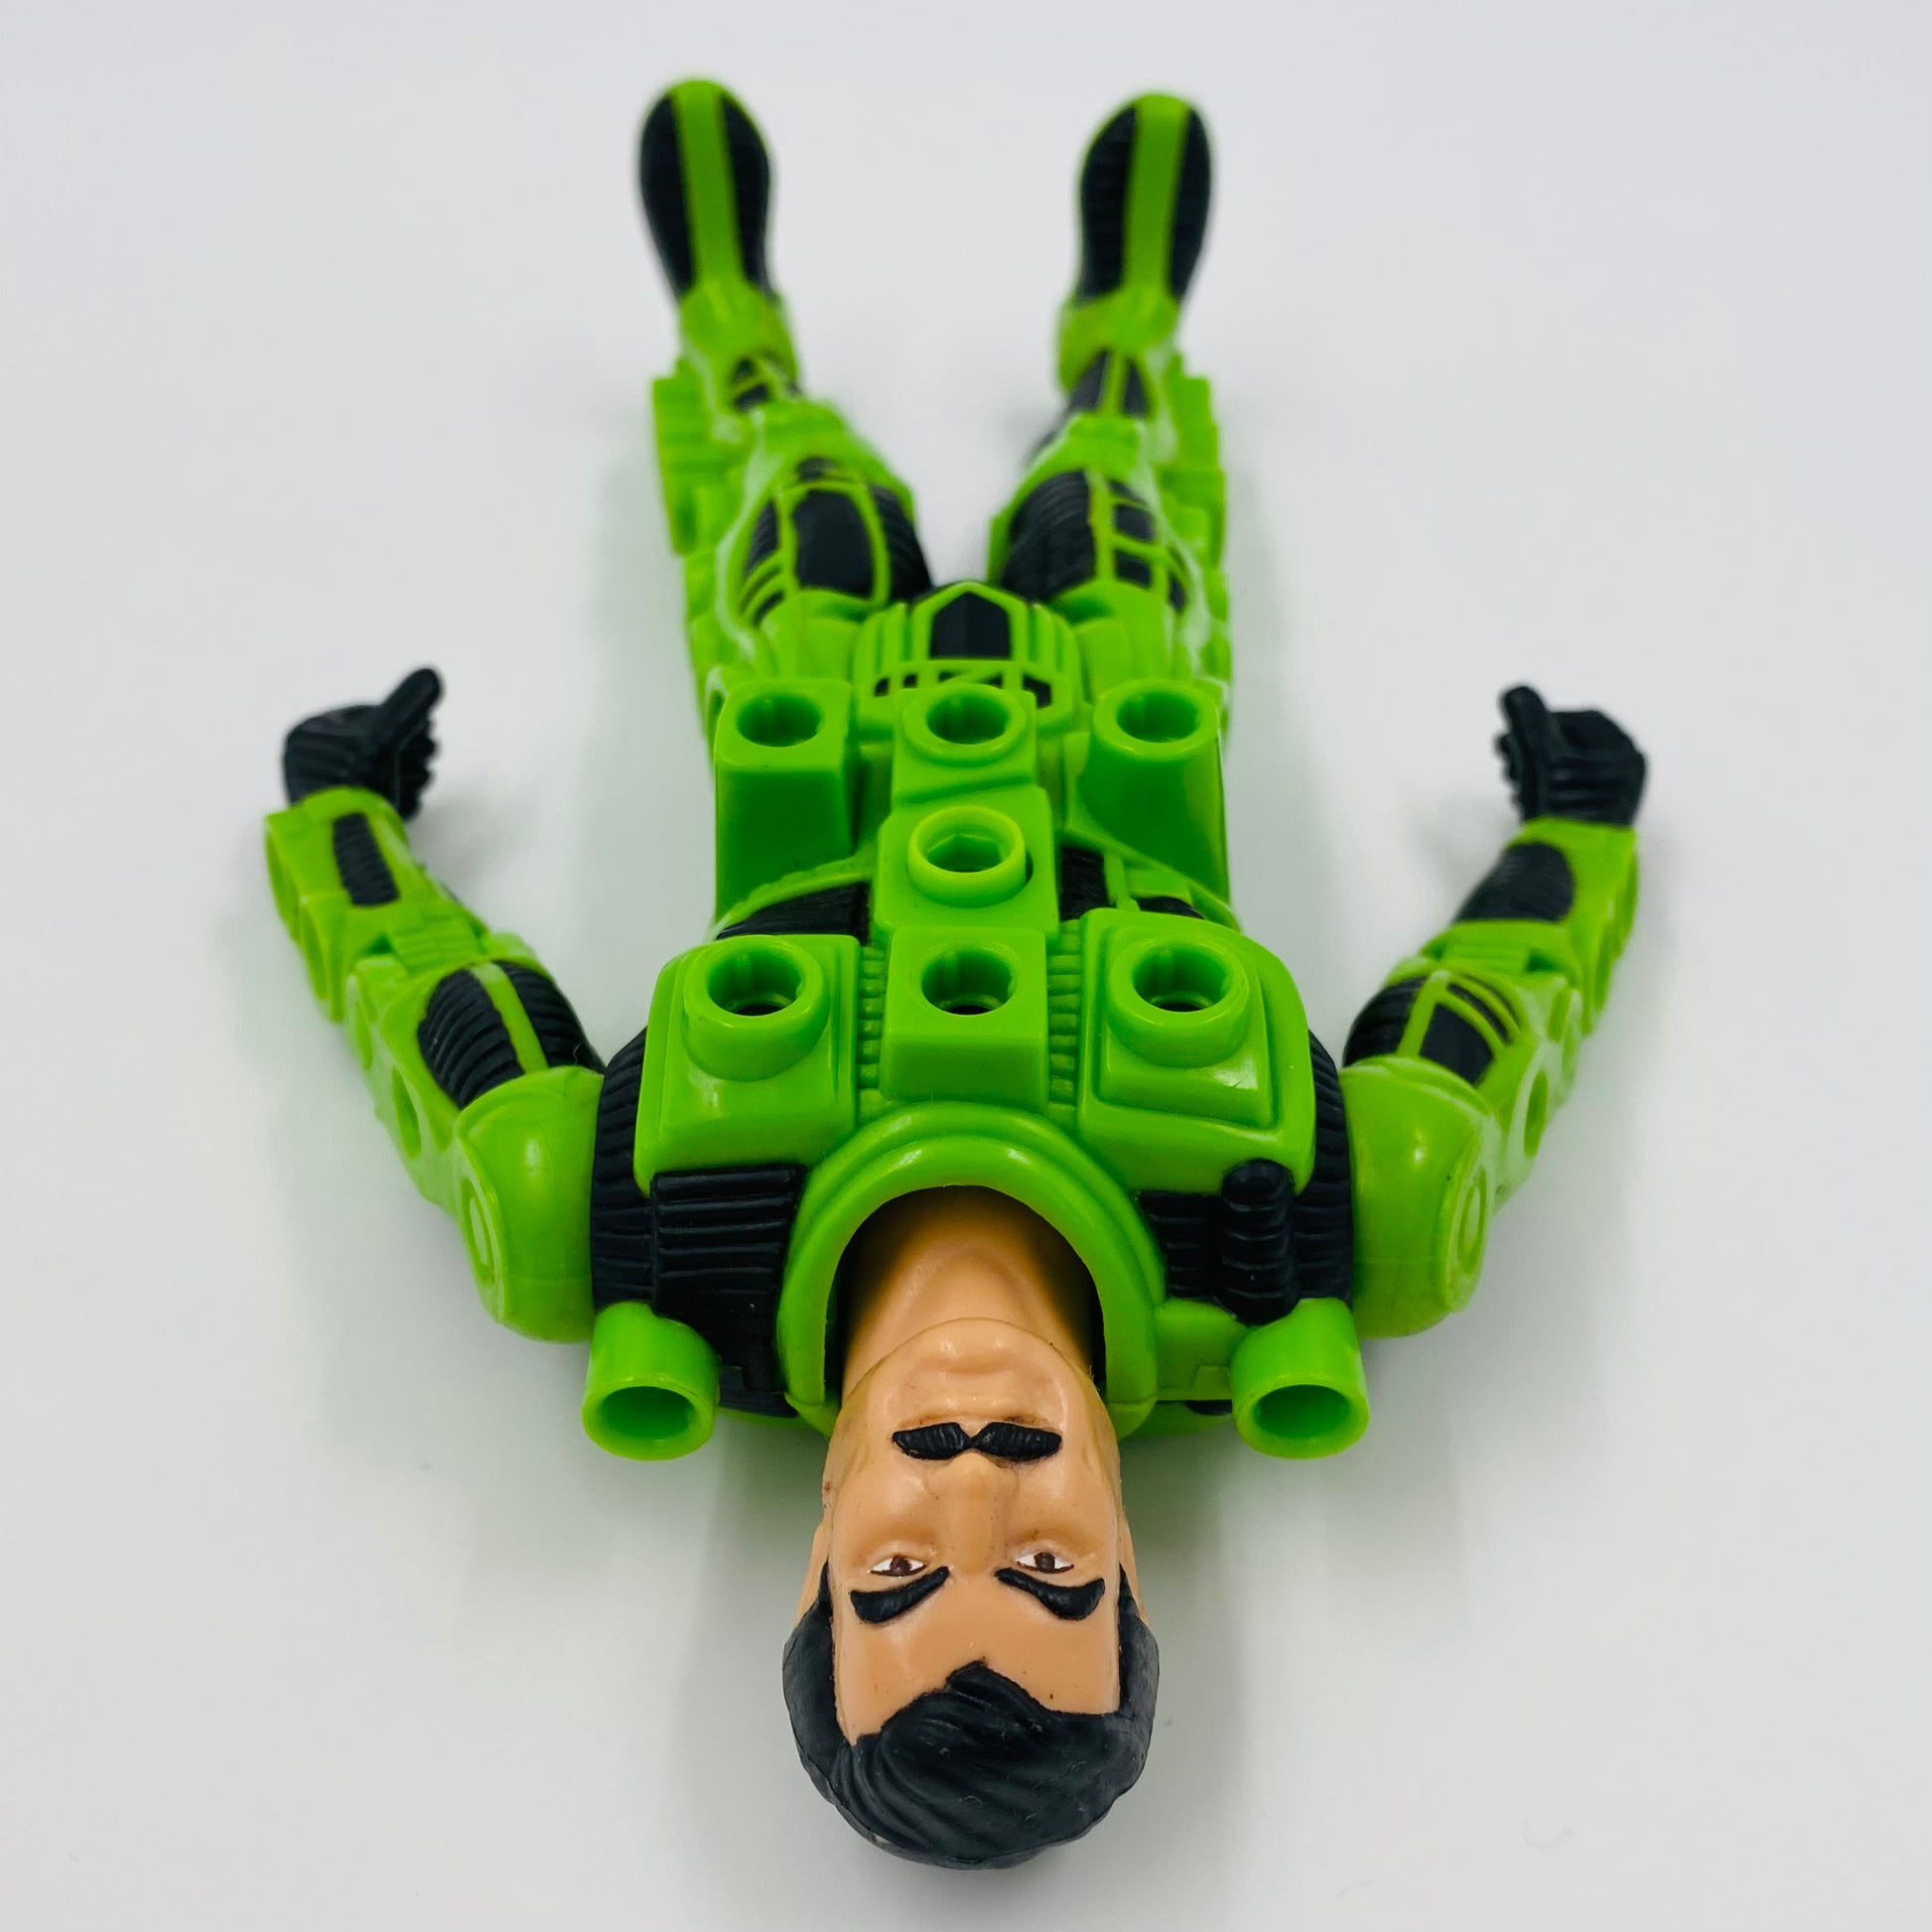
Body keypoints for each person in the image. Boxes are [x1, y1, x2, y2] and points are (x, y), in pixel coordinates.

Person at [263, 80, 1645, 1865]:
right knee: (1109, 489)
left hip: (824, 732)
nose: (974, 1479)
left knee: (792, 499)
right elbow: (1496, 1021)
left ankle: (730, 323)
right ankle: (1124, 323)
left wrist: (339, 820)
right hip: (1114, 726)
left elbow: (427, 1009)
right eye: (1050, 1566)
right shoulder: (1316, 1218)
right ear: (1131, 1554)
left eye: (903, 1570)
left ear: (815, 1554)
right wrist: (1577, 835)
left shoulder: (626, 1228)